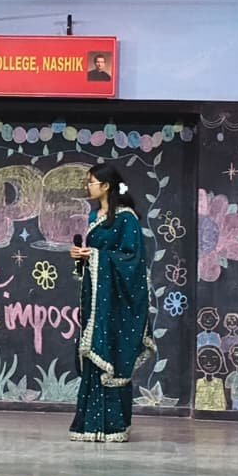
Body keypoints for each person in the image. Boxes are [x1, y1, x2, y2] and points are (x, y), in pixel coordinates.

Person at [66, 163, 154, 442]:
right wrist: (82, 257)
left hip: (117, 303)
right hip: (97, 301)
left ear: (105, 185)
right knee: (93, 354)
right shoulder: (95, 216)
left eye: (90, 182)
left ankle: (114, 426)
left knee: (112, 355)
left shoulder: (127, 219)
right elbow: (97, 258)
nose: (87, 186)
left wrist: (94, 255)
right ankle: (90, 425)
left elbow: (132, 259)